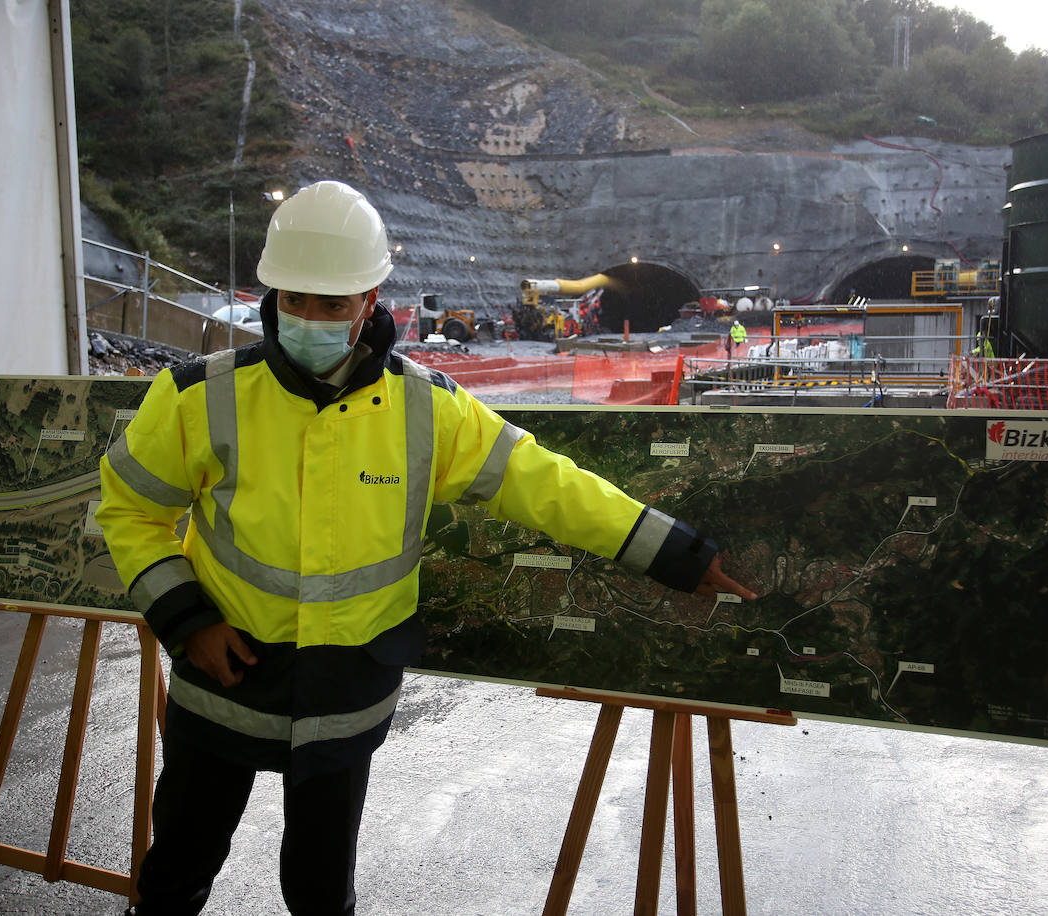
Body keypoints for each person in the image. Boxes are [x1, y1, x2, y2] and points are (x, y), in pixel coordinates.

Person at [97, 180, 753, 915]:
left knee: (319, 891)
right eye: (295, 301)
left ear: (370, 300)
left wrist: (675, 552)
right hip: (222, 684)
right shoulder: (198, 398)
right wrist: (188, 623)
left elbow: (547, 485)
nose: (310, 318)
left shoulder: (425, 410)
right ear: (270, 296)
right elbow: (128, 511)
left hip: (346, 695)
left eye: (333, 304)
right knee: (176, 871)